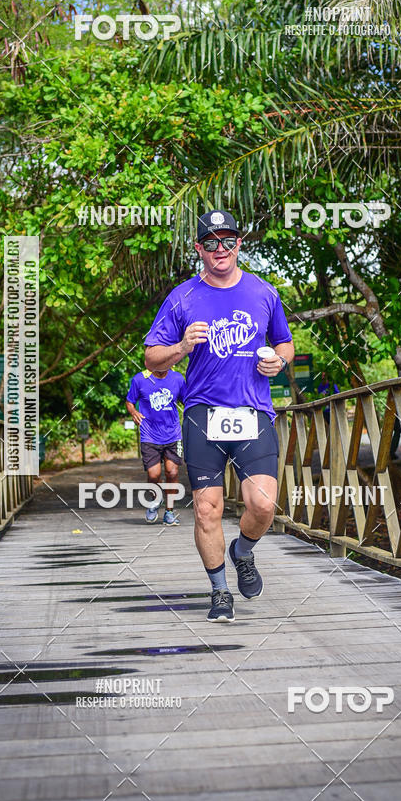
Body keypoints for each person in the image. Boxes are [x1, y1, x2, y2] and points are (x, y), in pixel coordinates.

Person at [144, 210, 294, 622]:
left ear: (239, 244)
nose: (220, 249)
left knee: (263, 504)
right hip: (202, 415)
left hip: (253, 412)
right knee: (207, 508)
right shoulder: (182, 297)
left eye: (228, 240)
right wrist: (181, 348)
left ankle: (242, 551)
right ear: (199, 249)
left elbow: (284, 342)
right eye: (210, 242)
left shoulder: (264, 292)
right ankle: (220, 591)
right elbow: (152, 356)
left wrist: (279, 362)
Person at [125, 368, 186, 525]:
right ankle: (156, 500)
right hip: (149, 435)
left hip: (173, 434)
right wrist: (133, 412)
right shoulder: (140, 379)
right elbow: (129, 401)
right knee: (153, 475)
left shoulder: (177, 379)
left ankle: (169, 512)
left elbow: (187, 401)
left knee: (172, 472)